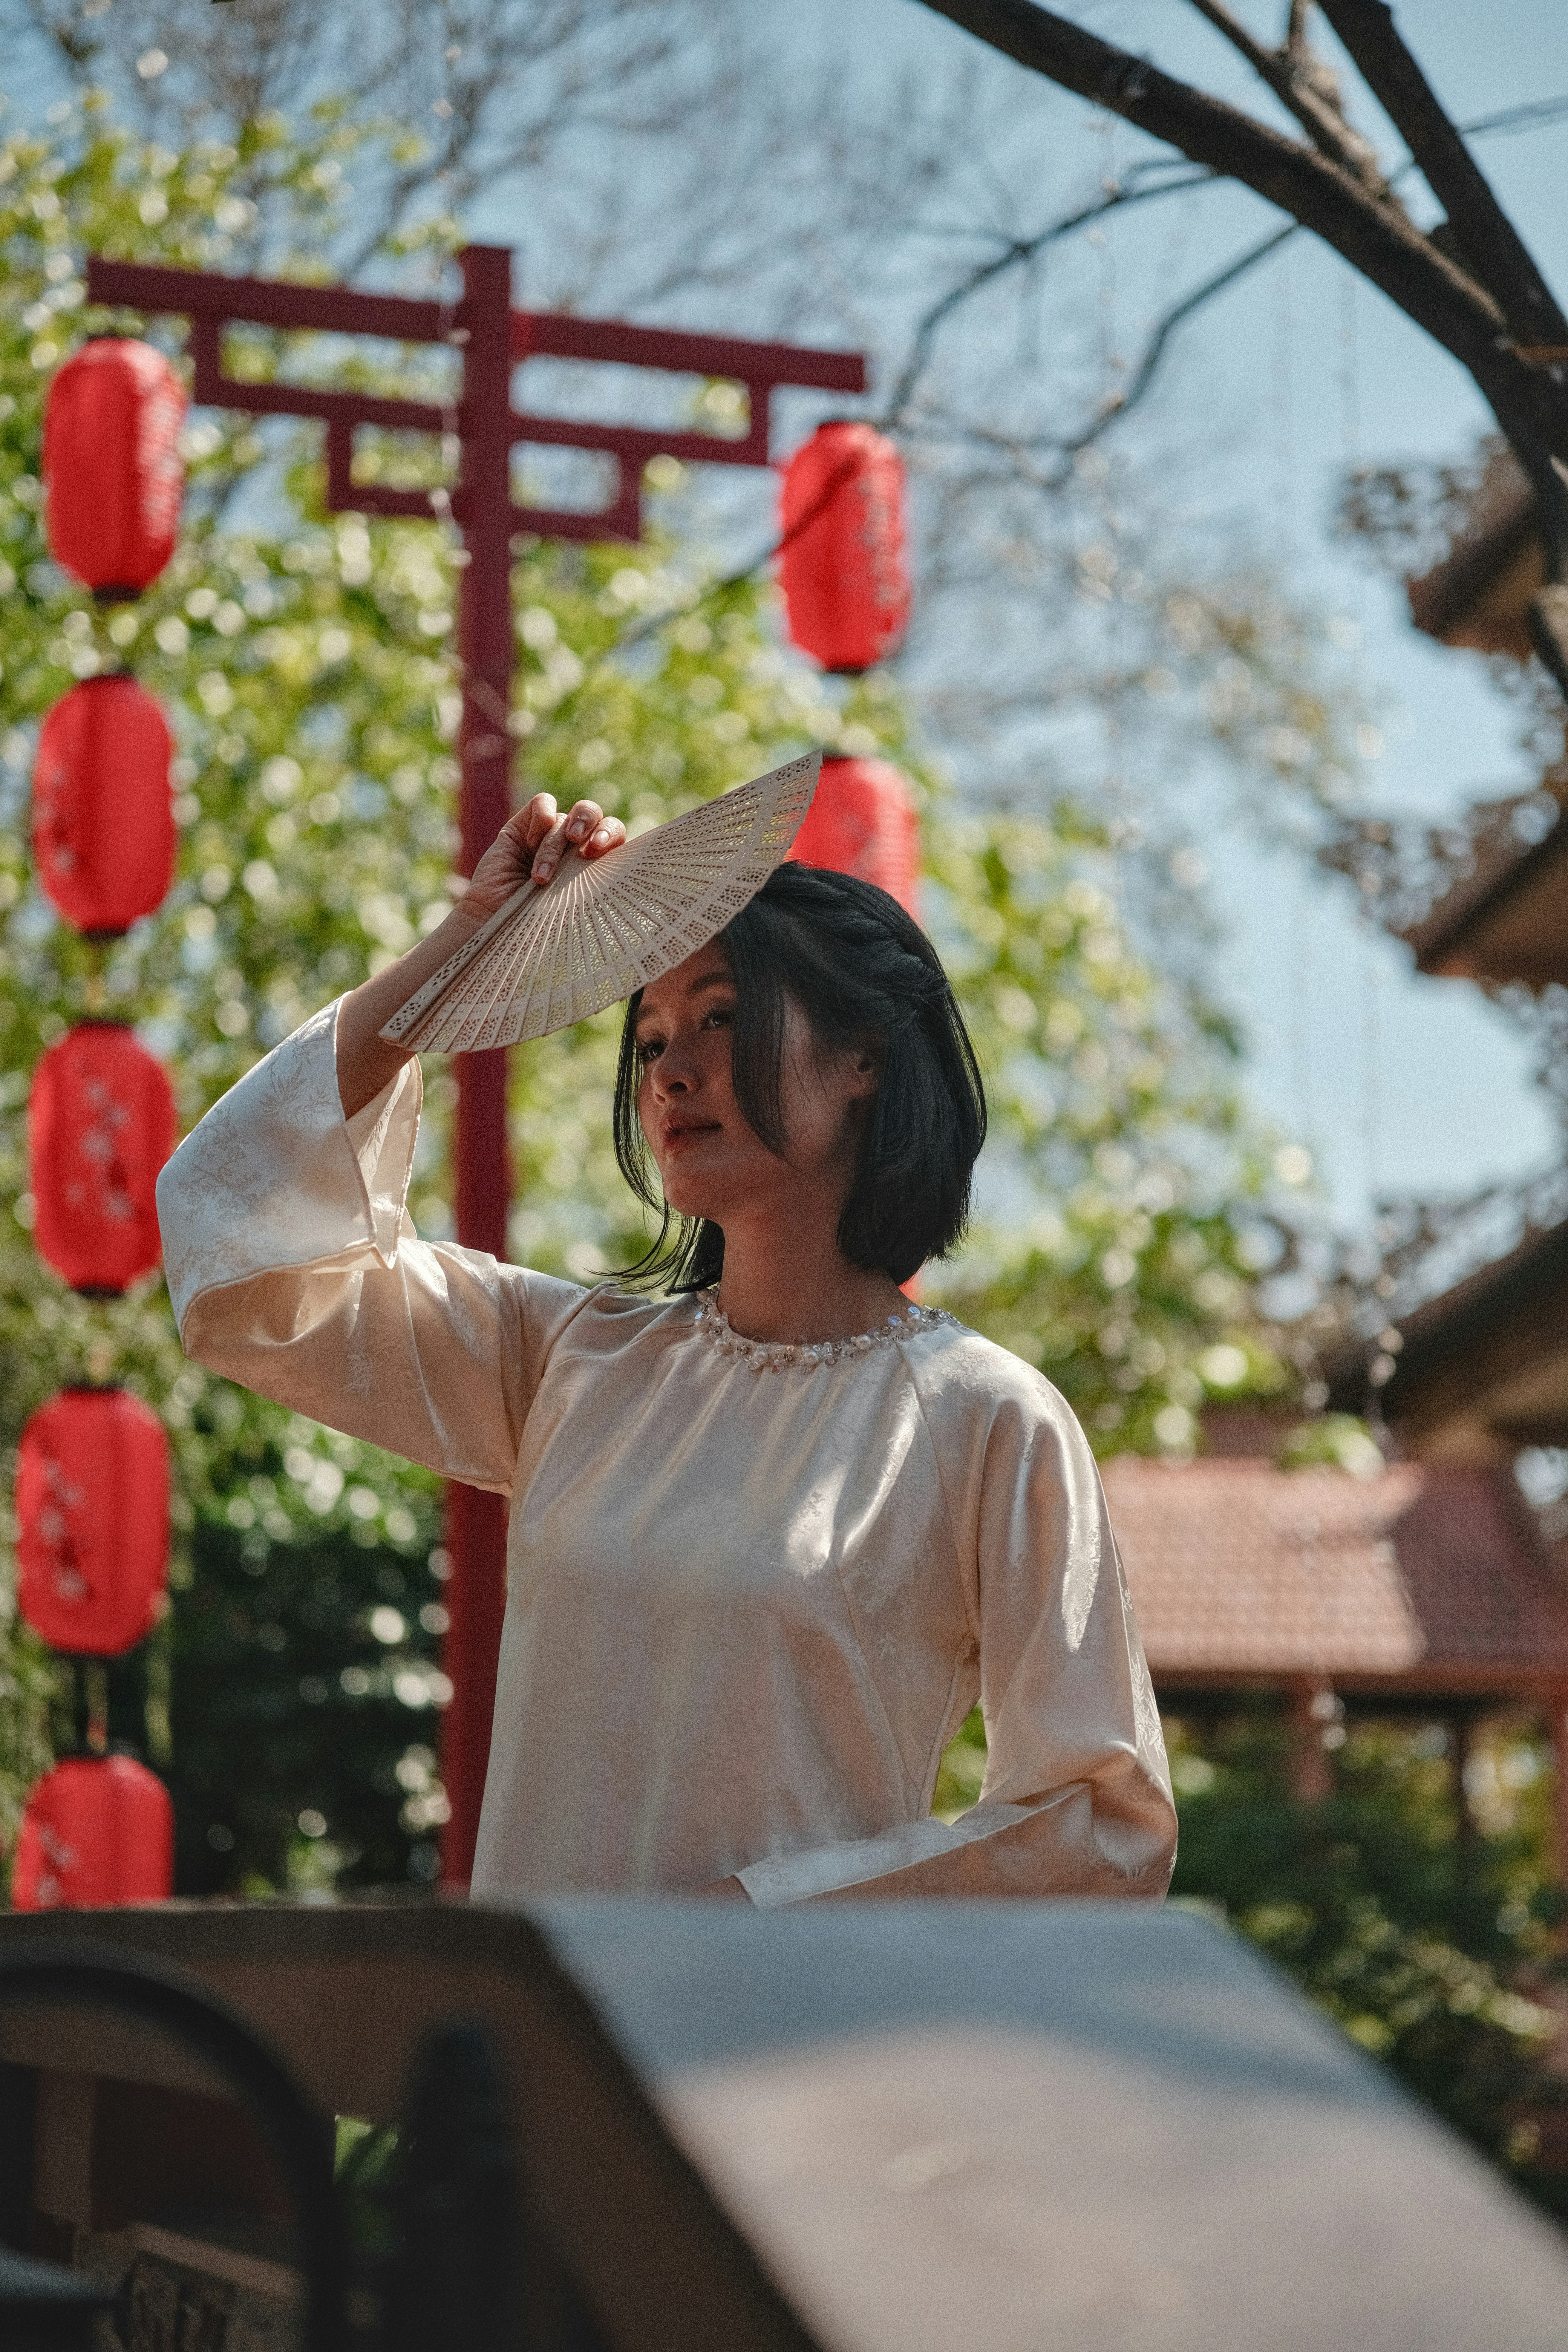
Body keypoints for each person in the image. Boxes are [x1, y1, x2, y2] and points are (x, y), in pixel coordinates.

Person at [156, 789, 1176, 1906]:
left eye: (723, 1017)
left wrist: (766, 1915)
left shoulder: (985, 1418)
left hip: (769, 2056)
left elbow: (1100, 1826)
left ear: (864, 1060)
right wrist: (465, 947)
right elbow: (234, 1250)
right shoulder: (567, 1363)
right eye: (648, 1038)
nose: (669, 1071)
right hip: (524, 2052)